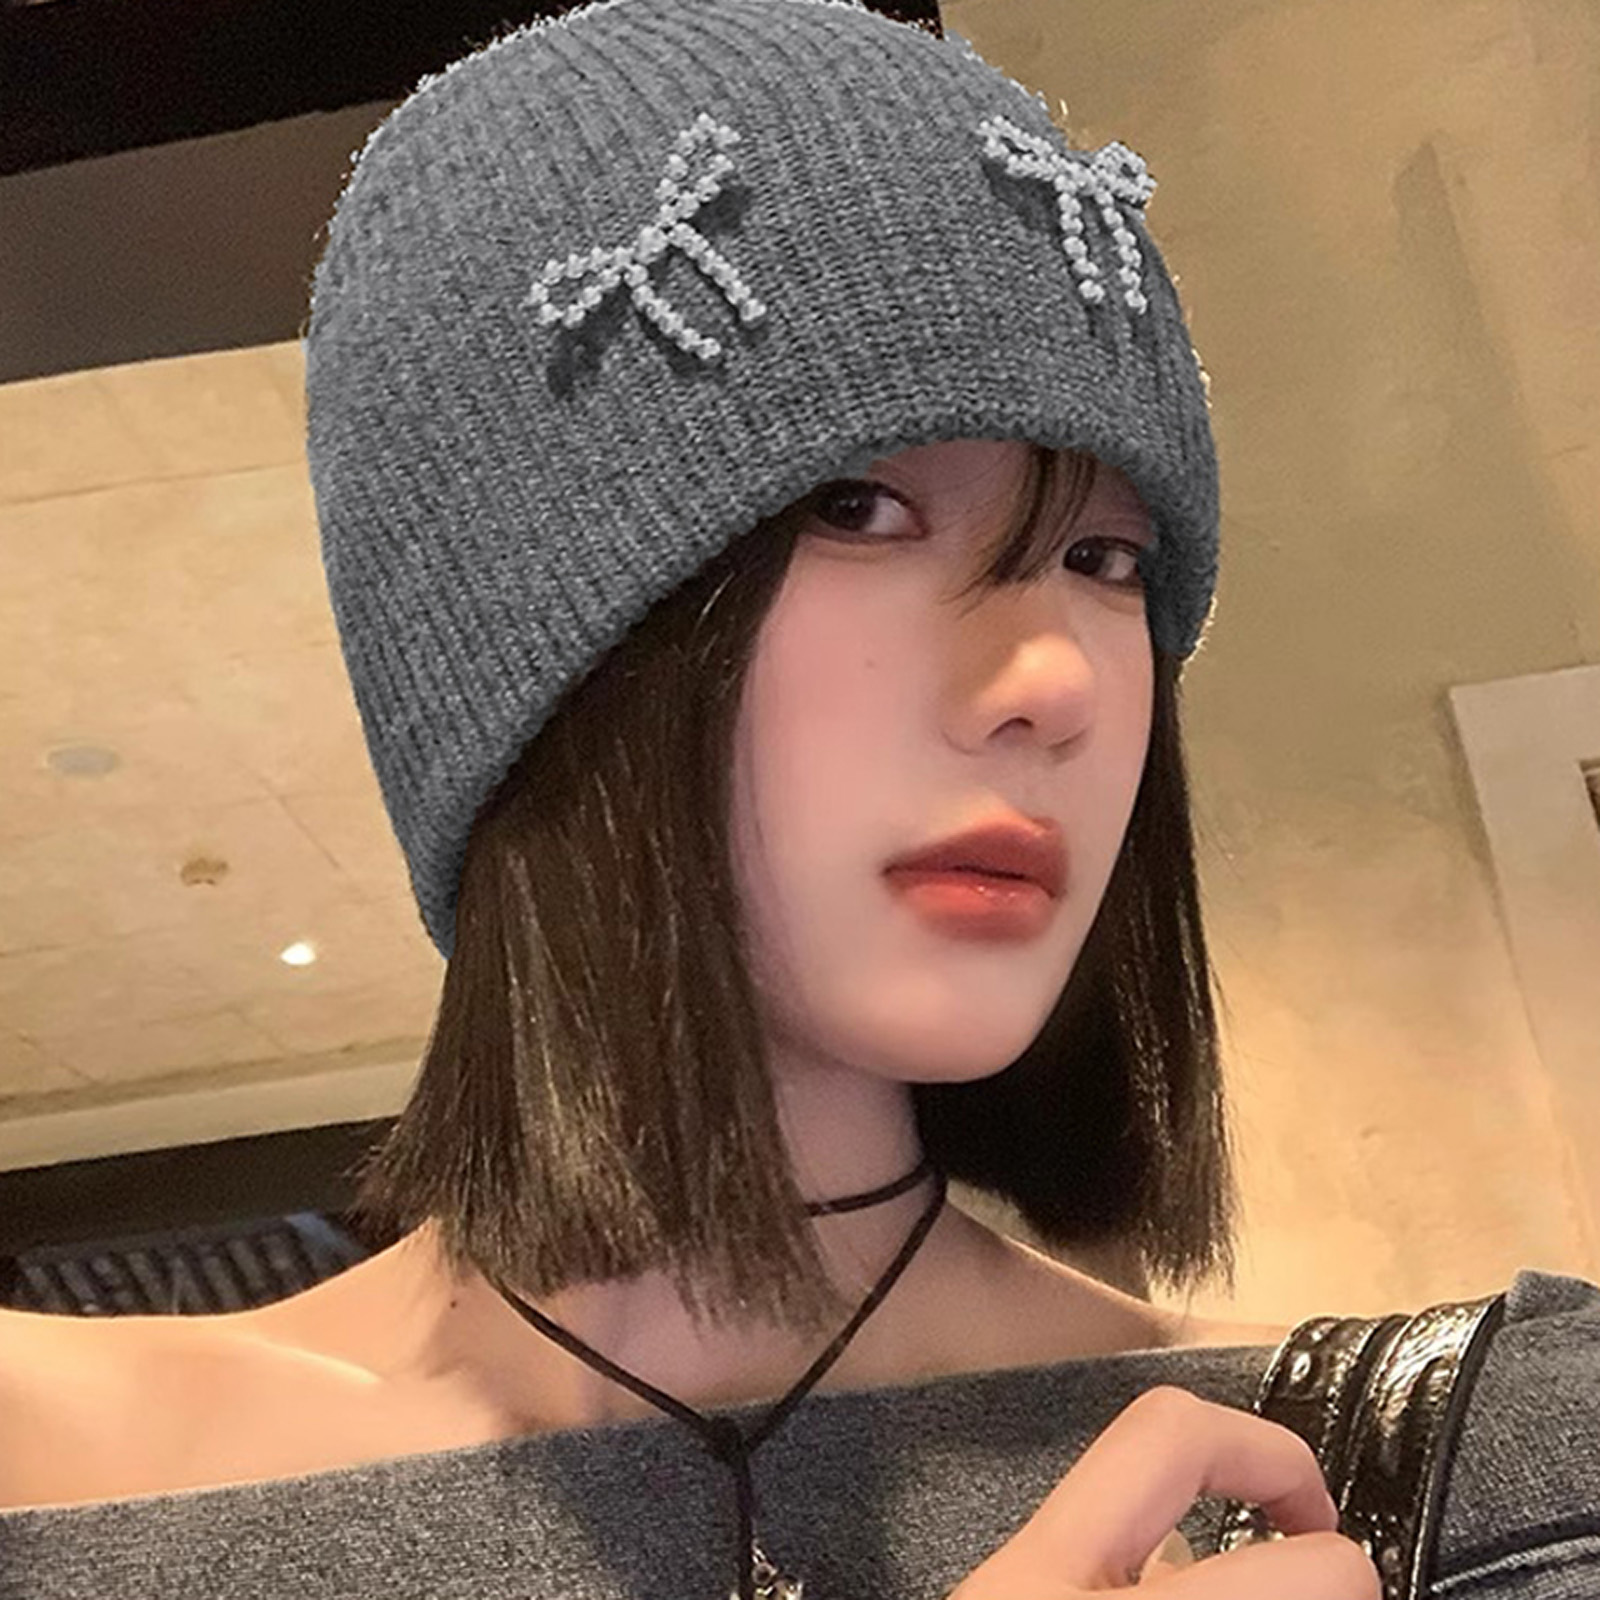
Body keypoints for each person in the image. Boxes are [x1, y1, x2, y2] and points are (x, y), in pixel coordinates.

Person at [1, 3, 1596, 1598]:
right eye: (858, 506)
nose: (1058, 675)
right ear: (517, 656)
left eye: (1106, 556)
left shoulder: (1457, 1477)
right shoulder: (49, 1467)